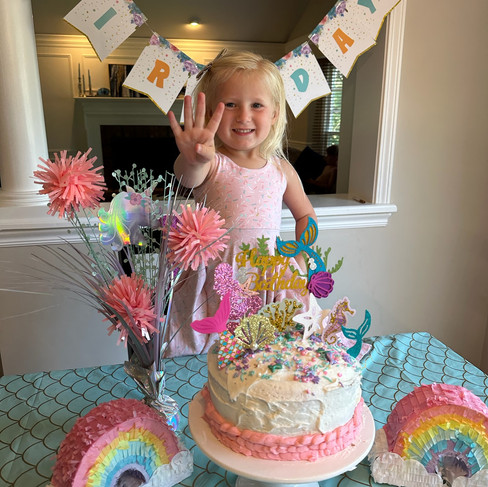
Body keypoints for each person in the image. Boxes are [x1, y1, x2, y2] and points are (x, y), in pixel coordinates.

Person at [165, 50, 316, 357]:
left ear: (274, 113)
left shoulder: (281, 169)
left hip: (269, 279)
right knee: (210, 359)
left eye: (257, 105)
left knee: (276, 357)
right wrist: (193, 157)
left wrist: (303, 256)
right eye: (230, 104)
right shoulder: (212, 163)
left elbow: (306, 215)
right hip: (216, 279)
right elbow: (188, 175)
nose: (244, 116)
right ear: (210, 116)